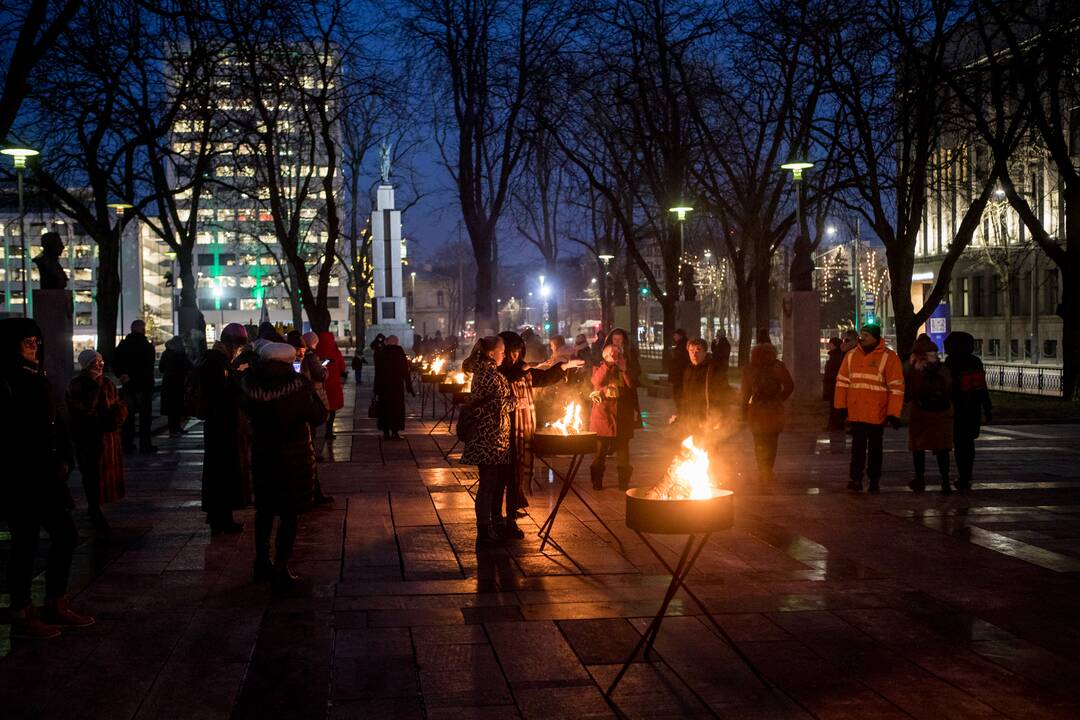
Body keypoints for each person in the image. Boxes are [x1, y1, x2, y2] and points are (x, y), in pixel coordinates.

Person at [1, 318, 94, 639]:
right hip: (20, 476)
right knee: (25, 542)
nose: (33, 344)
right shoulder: (8, 380)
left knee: (64, 536)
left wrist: (64, 456)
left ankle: (55, 602)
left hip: (46, 472)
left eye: (36, 339)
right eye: (26, 340)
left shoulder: (37, 376)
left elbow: (54, 420)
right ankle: (22, 612)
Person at [239, 342, 328, 593]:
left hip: (263, 455)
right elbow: (319, 416)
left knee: (264, 511)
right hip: (293, 458)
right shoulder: (298, 386)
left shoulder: (250, 384)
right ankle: (281, 566)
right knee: (289, 513)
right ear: (289, 361)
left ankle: (261, 562)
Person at [497, 331, 584, 534]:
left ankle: (510, 516)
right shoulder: (499, 372)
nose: (515, 357)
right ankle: (497, 519)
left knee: (514, 477)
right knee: (499, 479)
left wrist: (564, 366)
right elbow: (508, 380)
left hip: (521, 432)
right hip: (503, 432)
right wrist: (523, 371)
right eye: (511, 353)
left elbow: (544, 377)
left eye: (518, 353)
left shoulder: (524, 371)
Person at [833, 323, 904, 493]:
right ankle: (856, 478)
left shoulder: (889, 357)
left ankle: (873, 480)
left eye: (866, 335)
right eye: (862, 335)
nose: (862, 338)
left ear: (876, 337)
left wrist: (894, 413)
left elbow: (896, 387)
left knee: (875, 449)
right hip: (857, 411)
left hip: (876, 412)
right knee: (857, 448)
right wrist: (840, 407)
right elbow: (842, 383)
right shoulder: (851, 355)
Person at [461, 336, 516, 542]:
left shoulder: (489, 371)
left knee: (491, 483)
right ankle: (483, 530)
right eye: (502, 351)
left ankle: (489, 526)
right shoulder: (487, 373)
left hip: (494, 438)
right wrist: (514, 402)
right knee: (487, 485)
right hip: (488, 438)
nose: (504, 354)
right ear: (492, 353)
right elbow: (496, 405)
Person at [198, 323, 251, 533]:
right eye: (238, 347)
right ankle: (221, 518)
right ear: (231, 344)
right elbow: (221, 394)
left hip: (218, 424)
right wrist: (238, 381)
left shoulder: (215, 360)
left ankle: (219, 516)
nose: (238, 351)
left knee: (218, 472)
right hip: (221, 425)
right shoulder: (217, 362)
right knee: (222, 472)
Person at [67, 349, 127, 533]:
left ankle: (97, 504)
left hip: (107, 436)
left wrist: (118, 414)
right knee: (91, 472)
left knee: (103, 472)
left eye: (101, 361)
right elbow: (82, 410)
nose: (100, 364)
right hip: (90, 436)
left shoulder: (107, 383)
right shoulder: (79, 384)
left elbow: (117, 405)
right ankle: (94, 507)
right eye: (97, 362)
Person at [741, 334, 795, 485]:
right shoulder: (777, 366)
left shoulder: (750, 368)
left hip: (756, 410)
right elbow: (789, 385)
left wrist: (743, 411)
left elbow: (745, 393)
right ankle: (767, 471)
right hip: (773, 410)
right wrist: (780, 398)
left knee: (758, 442)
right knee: (771, 442)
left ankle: (762, 470)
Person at [906, 334, 954, 493]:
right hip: (942, 412)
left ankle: (919, 479)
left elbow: (906, 390)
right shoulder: (943, 368)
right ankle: (945, 480)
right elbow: (949, 388)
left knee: (918, 448)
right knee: (942, 448)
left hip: (920, 412)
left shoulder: (912, 368)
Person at [944, 331, 992, 492]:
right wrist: (987, 407)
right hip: (973, 408)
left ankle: (962, 473)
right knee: (968, 443)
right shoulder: (975, 361)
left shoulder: (951, 362)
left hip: (958, 408)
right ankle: (967, 473)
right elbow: (981, 387)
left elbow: (948, 386)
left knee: (959, 443)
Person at [589, 343, 639, 490]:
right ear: (604, 356)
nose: (615, 355)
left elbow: (633, 386)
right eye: (611, 353)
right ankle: (596, 482)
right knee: (600, 453)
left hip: (622, 416)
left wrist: (624, 370)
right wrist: (608, 365)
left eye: (617, 353)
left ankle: (624, 483)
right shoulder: (599, 367)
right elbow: (596, 381)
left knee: (623, 454)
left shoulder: (626, 367)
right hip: (603, 416)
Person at [113, 319, 157, 453]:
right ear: (142, 329)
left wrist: (122, 374)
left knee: (128, 417)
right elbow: (149, 366)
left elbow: (115, 361)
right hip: (144, 384)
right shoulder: (146, 346)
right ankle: (145, 444)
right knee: (145, 417)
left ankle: (127, 444)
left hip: (129, 384)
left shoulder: (123, 345)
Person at [678, 338, 728, 434]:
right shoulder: (688, 369)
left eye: (698, 350)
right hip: (691, 417)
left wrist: (719, 416)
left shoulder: (713, 369)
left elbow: (723, 394)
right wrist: (681, 415)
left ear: (705, 352)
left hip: (708, 417)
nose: (694, 354)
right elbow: (685, 395)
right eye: (691, 351)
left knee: (709, 446)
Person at [375, 334, 414, 440]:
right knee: (396, 409)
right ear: (396, 342)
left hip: (384, 387)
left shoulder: (382, 352)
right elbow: (405, 370)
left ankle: (386, 433)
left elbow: (378, 372)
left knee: (385, 409)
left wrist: (376, 389)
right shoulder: (399, 351)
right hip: (396, 386)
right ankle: (395, 432)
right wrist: (409, 386)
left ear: (388, 342)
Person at [159, 336, 193, 436]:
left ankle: (173, 428)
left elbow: (161, 368)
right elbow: (188, 366)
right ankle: (176, 428)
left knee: (171, 408)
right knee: (178, 406)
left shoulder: (166, 353)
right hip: (179, 383)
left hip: (168, 383)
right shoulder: (181, 354)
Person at [316, 331, 347, 440]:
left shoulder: (316, 352)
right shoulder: (335, 352)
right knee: (331, 410)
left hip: (319, 385)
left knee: (318, 408)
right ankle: (328, 431)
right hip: (333, 385)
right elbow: (342, 366)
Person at [668, 329, 690, 415]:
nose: (674, 337)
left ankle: (682, 413)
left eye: (675, 335)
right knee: (678, 396)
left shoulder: (683, 346)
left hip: (680, 376)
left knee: (679, 396)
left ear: (680, 336)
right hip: (678, 376)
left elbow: (681, 361)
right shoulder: (680, 345)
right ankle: (681, 412)